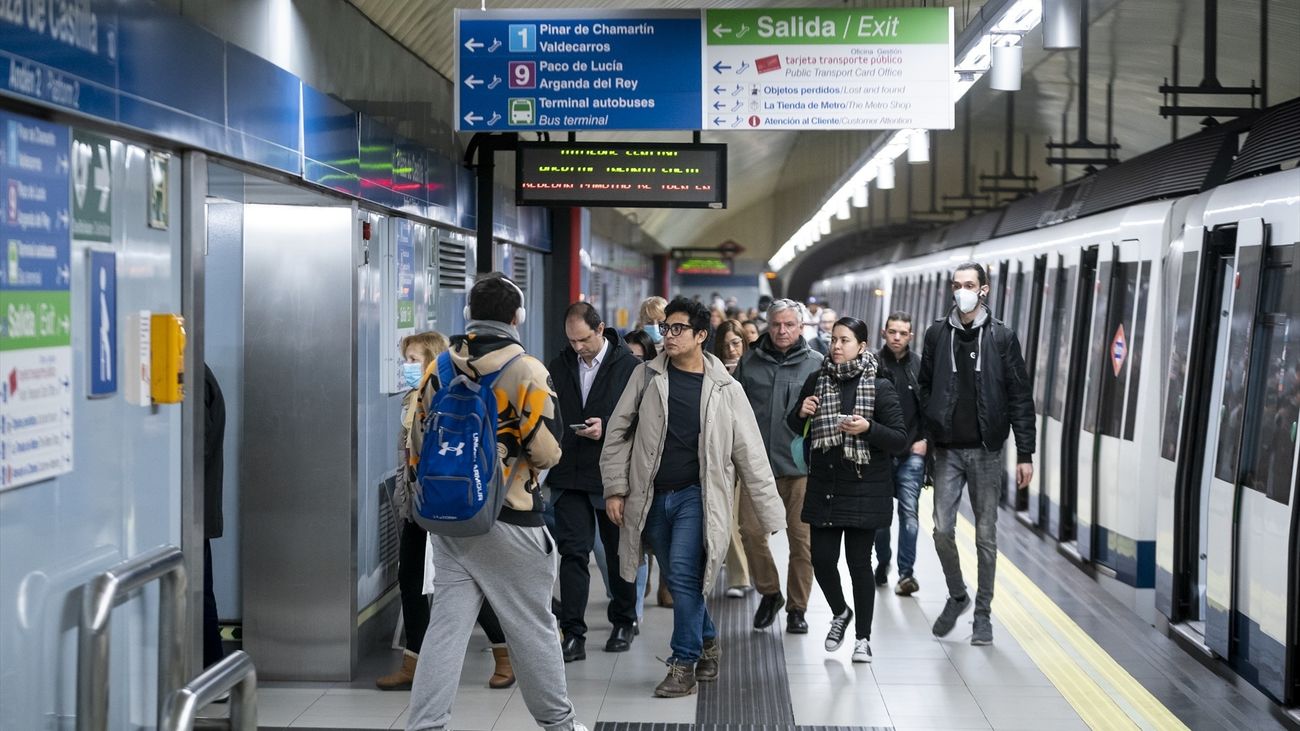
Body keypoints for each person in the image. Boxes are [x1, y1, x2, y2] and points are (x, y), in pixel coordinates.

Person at [406, 274, 586, 731]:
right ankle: (560, 725)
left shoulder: (440, 367)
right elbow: (546, 451)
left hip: (451, 521)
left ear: (469, 314)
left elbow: (418, 438)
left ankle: (425, 725)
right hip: (511, 521)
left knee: (445, 630)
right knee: (533, 627)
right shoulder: (527, 369)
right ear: (516, 317)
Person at [601, 297, 785, 698]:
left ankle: (682, 663)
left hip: (696, 498)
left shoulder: (725, 388)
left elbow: (751, 452)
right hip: (651, 498)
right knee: (682, 581)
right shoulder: (647, 376)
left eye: (677, 328)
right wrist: (615, 488)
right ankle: (708, 641)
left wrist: (771, 513)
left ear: (701, 335)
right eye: (665, 328)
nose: (667, 335)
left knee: (684, 576)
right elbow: (617, 433)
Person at [378, 331, 516, 692]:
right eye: (404, 359)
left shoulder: (443, 399)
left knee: (466, 581)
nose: (407, 367)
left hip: (441, 502)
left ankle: (504, 653)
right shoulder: (412, 400)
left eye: (413, 360)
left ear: (431, 362)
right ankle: (414, 662)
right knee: (411, 582)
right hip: (417, 504)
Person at [919, 262, 1036, 647]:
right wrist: (923, 436)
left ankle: (982, 616)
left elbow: (1020, 396)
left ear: (983, 290)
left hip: (987, 450)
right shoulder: (937, 334)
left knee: (986, 537)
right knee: (941, 531)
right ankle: (958, 595)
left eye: (969, 285)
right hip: (948, 451)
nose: (962, 291)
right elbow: (923, 388)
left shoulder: (1002, 337)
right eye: (957, 285)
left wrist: (1025, 453)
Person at [789, 318, 907, 663]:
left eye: (844, 340)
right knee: (822, 560)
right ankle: (840, 611)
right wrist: (800, 412)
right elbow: (796, 426)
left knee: (858, 564)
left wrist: (868, 428)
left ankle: (863, 638)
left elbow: (899, 438)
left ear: (862, 346)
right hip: (825, 484)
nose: (836, 346)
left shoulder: (880, 386)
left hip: (865, 487)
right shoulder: (817, 380)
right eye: (833, 340)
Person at [547, 303, 641, 662]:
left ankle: (624, 620)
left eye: (583, 339)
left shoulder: (630, 367)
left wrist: (607, 427)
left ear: (601, 329)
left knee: (619, 551)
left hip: (611, 474)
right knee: (573, 553)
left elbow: (642, 421)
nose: (577, 347)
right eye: (571, 341)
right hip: (569, 472)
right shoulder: (558, 366)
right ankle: (574, 633)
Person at [733, 298, 823, 633]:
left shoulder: (816, 364)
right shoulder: (750, 363)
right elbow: (734, 409)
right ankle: (770, 592)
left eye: (789, 324)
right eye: (776, 324)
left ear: (801, 327)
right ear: (767, 325)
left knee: (803, 543)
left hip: (801, 469)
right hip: (758, 468)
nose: (782, 331)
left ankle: (797, 609)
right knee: (751, 533)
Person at [874, 313, 928, 595]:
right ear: (884, 333)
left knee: (909, 515)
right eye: (892, 332)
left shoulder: (920, 366)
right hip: (880, 454)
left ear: (911, 336)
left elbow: (931, 407)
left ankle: (906, 574)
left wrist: (926, 440)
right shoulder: (873, 363)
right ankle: (883, 563)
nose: (897, 337)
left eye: (903, 333)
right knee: (881, 520)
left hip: (912, 454)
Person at [712, 320, 754, 598]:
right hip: (720, 454)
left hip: (749, 455)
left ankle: (747, 572)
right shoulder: (710, 372)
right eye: (726, 343)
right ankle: (740, 577)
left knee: (746, 523)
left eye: (736, 342)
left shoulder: (754, 371)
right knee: (726, 518)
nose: (731, 349)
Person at [202, 364, 227, 671]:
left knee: (198, 593)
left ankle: (210, 667)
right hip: (194, 509)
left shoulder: (192, 375)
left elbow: (196, 444)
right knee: (200, 590)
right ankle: (210, 665)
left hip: (190, 510)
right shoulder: (199, 372)